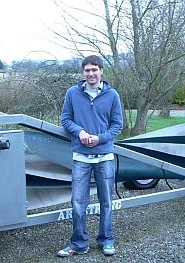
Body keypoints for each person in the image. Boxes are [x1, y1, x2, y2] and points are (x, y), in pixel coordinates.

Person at [57, 55, 123, 257]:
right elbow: (65, 119)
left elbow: (117, 125)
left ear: (102, 71)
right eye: (87, 70)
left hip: (104, 158)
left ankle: (106, 240)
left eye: (94, 69)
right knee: (78, 203)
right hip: (81, 158)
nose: (91, 73)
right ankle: (78, 243)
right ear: (83, 72)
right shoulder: (72, 94)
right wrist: (80, 132)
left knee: (106, 202)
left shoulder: (112, 96)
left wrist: (100, 138)